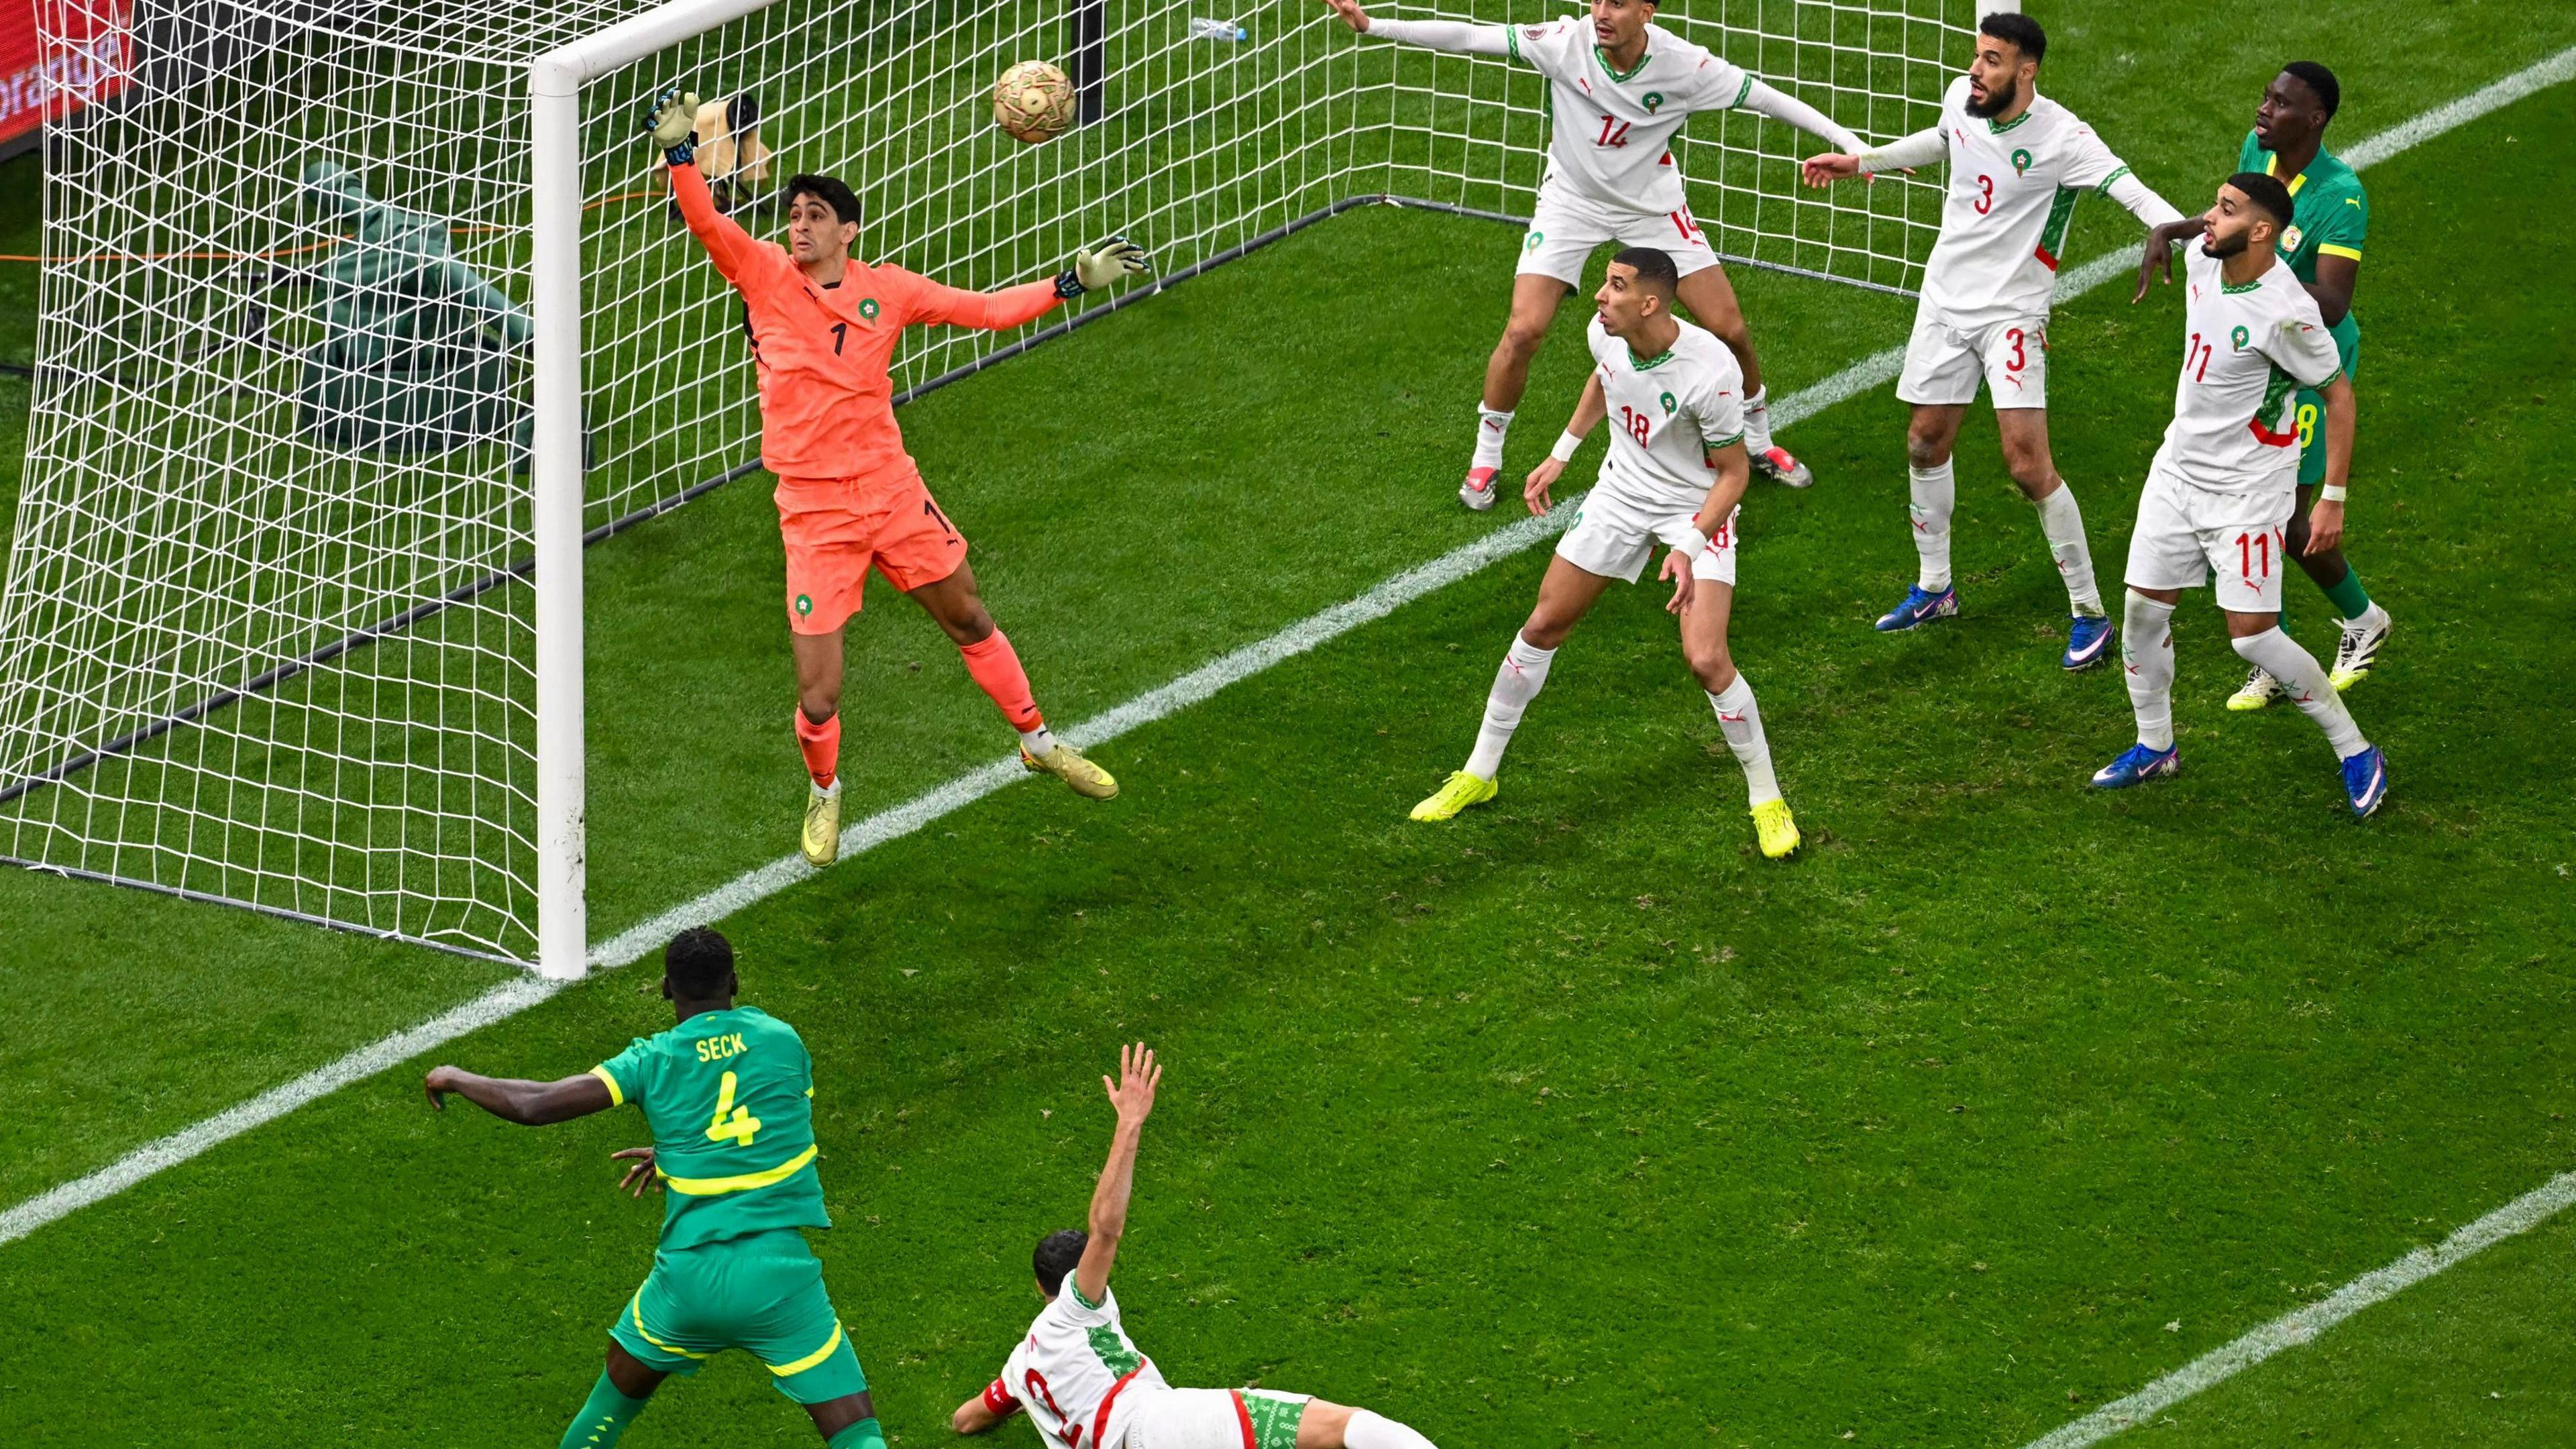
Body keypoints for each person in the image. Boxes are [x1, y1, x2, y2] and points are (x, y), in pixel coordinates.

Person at [647, 88, 1140, 867]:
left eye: (815, 215)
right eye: (793, 214)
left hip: (891, 492)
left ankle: (1038, 741)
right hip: (814, 513)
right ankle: (825, 791)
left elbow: (984, 310)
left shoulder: (893, 289)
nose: (798, 224)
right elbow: (708, 222)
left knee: (968, 617)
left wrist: (1068, 285)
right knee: (819, 693)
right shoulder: (763, 275)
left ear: (847, 231)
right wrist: (682, 157)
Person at [1323, 0, 1862, 508]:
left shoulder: (1685, 65)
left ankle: (1760, 442)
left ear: (1647, 12)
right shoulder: (1563, 42)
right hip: (1571, 202)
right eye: (1597, 1)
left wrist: (1851, 145)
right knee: (1523, 331)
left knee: (1731, 330)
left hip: (1651, 207)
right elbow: (1468, 37)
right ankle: (1486, 458)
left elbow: (1766, 98)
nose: (1602, 14)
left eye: (1619, 4)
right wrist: (1374, 26)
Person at [1801, 11, 2182, 668]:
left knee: (2027, 465)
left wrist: (2185, 235)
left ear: (2027, 71)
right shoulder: (1962, 97)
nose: (1976, 70)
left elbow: (2134, 193)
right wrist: (1862, 162)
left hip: (2012, 315)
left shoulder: (2064, 138)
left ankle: (2090, 614)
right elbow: (1943, 139)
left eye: (1993, 61)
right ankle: (1935, 589)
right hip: (1945, 302)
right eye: (1977, 56)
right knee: (1924, 442)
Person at [1407, 248, 1799, 859]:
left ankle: (1768, 800)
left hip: (1694, 508)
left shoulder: (1711, 370)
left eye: (1615, 286)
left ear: (1650, 303)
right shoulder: (1606, 332)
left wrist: (1689, 545)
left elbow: (1733, 474)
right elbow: (1604, 378)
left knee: (1706, 659)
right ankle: (1479, 774)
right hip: (1621, 494)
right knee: (1543, 625)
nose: (1598, 295)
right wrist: (1562, 452)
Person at [423, 928, 881, 1449]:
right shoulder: (782, 1040)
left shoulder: (650, 1060)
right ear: (734, 982)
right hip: (780, 1281)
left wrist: (455, 1076)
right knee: (858, 1437)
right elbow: (768, 1123)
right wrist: (682, 1156)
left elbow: (535, 1105)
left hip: (686, 1285)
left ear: (666, 988)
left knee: (606, 1413)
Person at [951, 1045, 1446, 1449]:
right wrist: (1128, 1123)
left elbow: (966, 1420)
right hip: (1160, 1428)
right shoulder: (1076, 1307)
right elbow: (1105, 1232)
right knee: (1344, 1426)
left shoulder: (1020, 1367)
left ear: (1037, 1286)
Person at [2095, 174, 2387, 817]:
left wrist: (2332, 497)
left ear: (2261, 231)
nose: (2209, 216)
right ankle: (2156, 746)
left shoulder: (2286, 311)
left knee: (2253, 638)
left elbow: (2339, 396)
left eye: (2225, 210)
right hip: (2177, 471)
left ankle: (2357, 749)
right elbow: (2170, 217)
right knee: (2142, 611)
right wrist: (2161, 230)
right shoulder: (2206, 257)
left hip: (2247, 491)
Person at [2137, 62, 2392, 707]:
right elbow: (2233, 222)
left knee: (2288, 523)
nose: (2264, 109)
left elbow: (2332, 301)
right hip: (2258, 353)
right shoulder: (2261, 150)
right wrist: (2176, 230)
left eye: (2280, 103)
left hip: (2308, 358)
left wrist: (2261, 282)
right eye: (2266, 97)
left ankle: (2360, 622)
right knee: (2273, 520)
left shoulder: (2342, 195)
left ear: (2315, 119)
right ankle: (2274, 649)